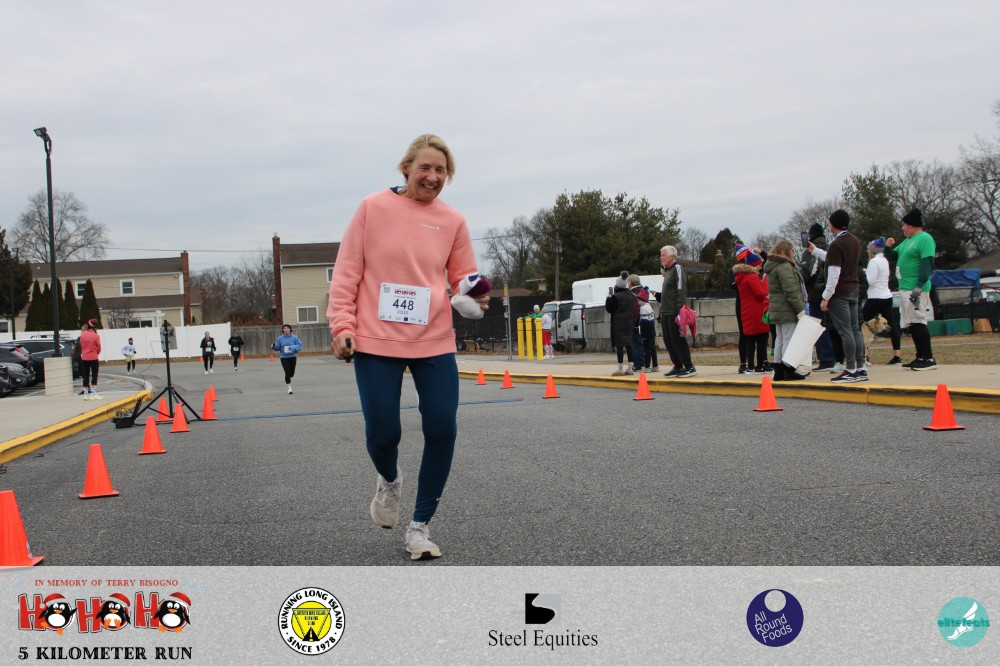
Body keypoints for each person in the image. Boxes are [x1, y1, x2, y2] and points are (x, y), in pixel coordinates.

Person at [328, 133, 489, 561]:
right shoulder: (372, 208)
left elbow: (464, 279)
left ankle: (419, 527)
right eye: (426, 167)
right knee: (384, 433)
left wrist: (475, 297)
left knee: (442, 428)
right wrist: (342, 326)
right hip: (375, 338)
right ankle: (389, 479)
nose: (433, 176)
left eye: (441, 170)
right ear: (406, 169)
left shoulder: (453, 220)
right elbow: (346, 273)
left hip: (433, 339)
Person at [807, 209, 866, 383]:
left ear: (833, 224)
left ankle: (850, 369)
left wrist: (826, 297)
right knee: (855, 330)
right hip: (853, 289)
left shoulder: (836, 244)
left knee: (845, 331)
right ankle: (860, 367)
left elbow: (833, 274)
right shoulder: (853, 241)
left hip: (839, 293)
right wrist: (815, 251)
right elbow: (833, 257)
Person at [884, 208, 937, 370]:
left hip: (915, 289)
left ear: (912, 225)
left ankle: (928, 358)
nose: (902, 228)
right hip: (905, 288)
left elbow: (927, 263)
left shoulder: (924, 239)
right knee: (912, 323)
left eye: (904, 225)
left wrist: (919, 285)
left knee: (918, 321)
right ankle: (920, 356)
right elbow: (893, 256)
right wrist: (887, 247)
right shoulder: (907, 241)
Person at [762, 241, 807, 381]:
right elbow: (790, 290)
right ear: (786, 251)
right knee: (788, 338)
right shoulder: (785, 266)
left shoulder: (773, 266)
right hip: (787, 308)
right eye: (792, 250)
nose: (794, 253)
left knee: (780, 338)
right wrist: (800, 309)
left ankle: (779, 370)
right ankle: (788, 368)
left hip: (777, 307)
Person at [800, 223, 837, 371]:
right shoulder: (829, 249)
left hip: (815, 294)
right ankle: (837, 357)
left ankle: (826, 359)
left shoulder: (811, 251)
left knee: (819, 327)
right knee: (832, 327)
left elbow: (807, 272)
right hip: (830, 293)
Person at [657, 246, 696, 377]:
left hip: (674, 311)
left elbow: (681, 289)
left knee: (677, 340)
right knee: (668, 341)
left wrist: (680, 310)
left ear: (671, 256)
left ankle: (689, 366)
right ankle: (678, 366)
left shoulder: (677, 268)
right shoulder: (668, 271)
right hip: (666, 312)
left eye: (663, 255)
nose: (661, 257)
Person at [733, 252, 770, 373]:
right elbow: (760, 294)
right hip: (756, 312)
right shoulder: (753, 277)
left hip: (747, 311)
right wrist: (764, 288)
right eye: (759, 265)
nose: (760, 268)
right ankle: (760, 365)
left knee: (750, 339)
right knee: (762, 338)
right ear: (753, 265)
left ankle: (750, 365)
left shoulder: (741, 277)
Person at [606, 271, 637, 376]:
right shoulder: (631, 295)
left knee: (620, 346)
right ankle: (630, 368)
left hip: (618, 323)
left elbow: (609, 309)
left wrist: (608, 298)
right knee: (629, 345)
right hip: (628, 323)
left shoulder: (616, 297)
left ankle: (620, 369)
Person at [272, 324, 303, 393]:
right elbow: (277, 347)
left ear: (290, 329)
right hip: (284, 357)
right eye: (284, 328)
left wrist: (292, 347)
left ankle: (289, 376)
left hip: (293, 356)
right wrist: (274, 346)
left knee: (291, 373)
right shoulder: (280, 338)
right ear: (283, 330)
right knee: (287, 372)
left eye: (287, 328)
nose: (286, 329)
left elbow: (300, 346)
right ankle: (289, 388)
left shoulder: (295, 337)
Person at [627, 274, 646, 372]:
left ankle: (638, 363)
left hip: (636, 321)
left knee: (636, 343)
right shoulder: (643, 291)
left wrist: (631, 323)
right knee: (645, 343)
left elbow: (634, 310)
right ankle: (647, 363)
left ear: (630, 282)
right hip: (646, 319)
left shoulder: (632, 294)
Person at [80, 319, 102, 400]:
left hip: (84, 357)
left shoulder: (82, 335)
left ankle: (86, 394)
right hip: (93, 357)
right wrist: (96, 353)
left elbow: (81, 345)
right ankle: (94, 394)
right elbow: (99, 348)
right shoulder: (96, 336)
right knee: (94, 375)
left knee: (86, 376)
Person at [637, 287, 659, 372]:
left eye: (639, 300)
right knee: (653, 349)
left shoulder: (643, 309)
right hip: (652, 331)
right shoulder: (649, 307)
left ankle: (647, 366)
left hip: (646, 332)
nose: (638, 302)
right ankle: (655, 365)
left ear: (643, 300)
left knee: (646, 350)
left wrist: (643, 335)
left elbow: (644, 323)